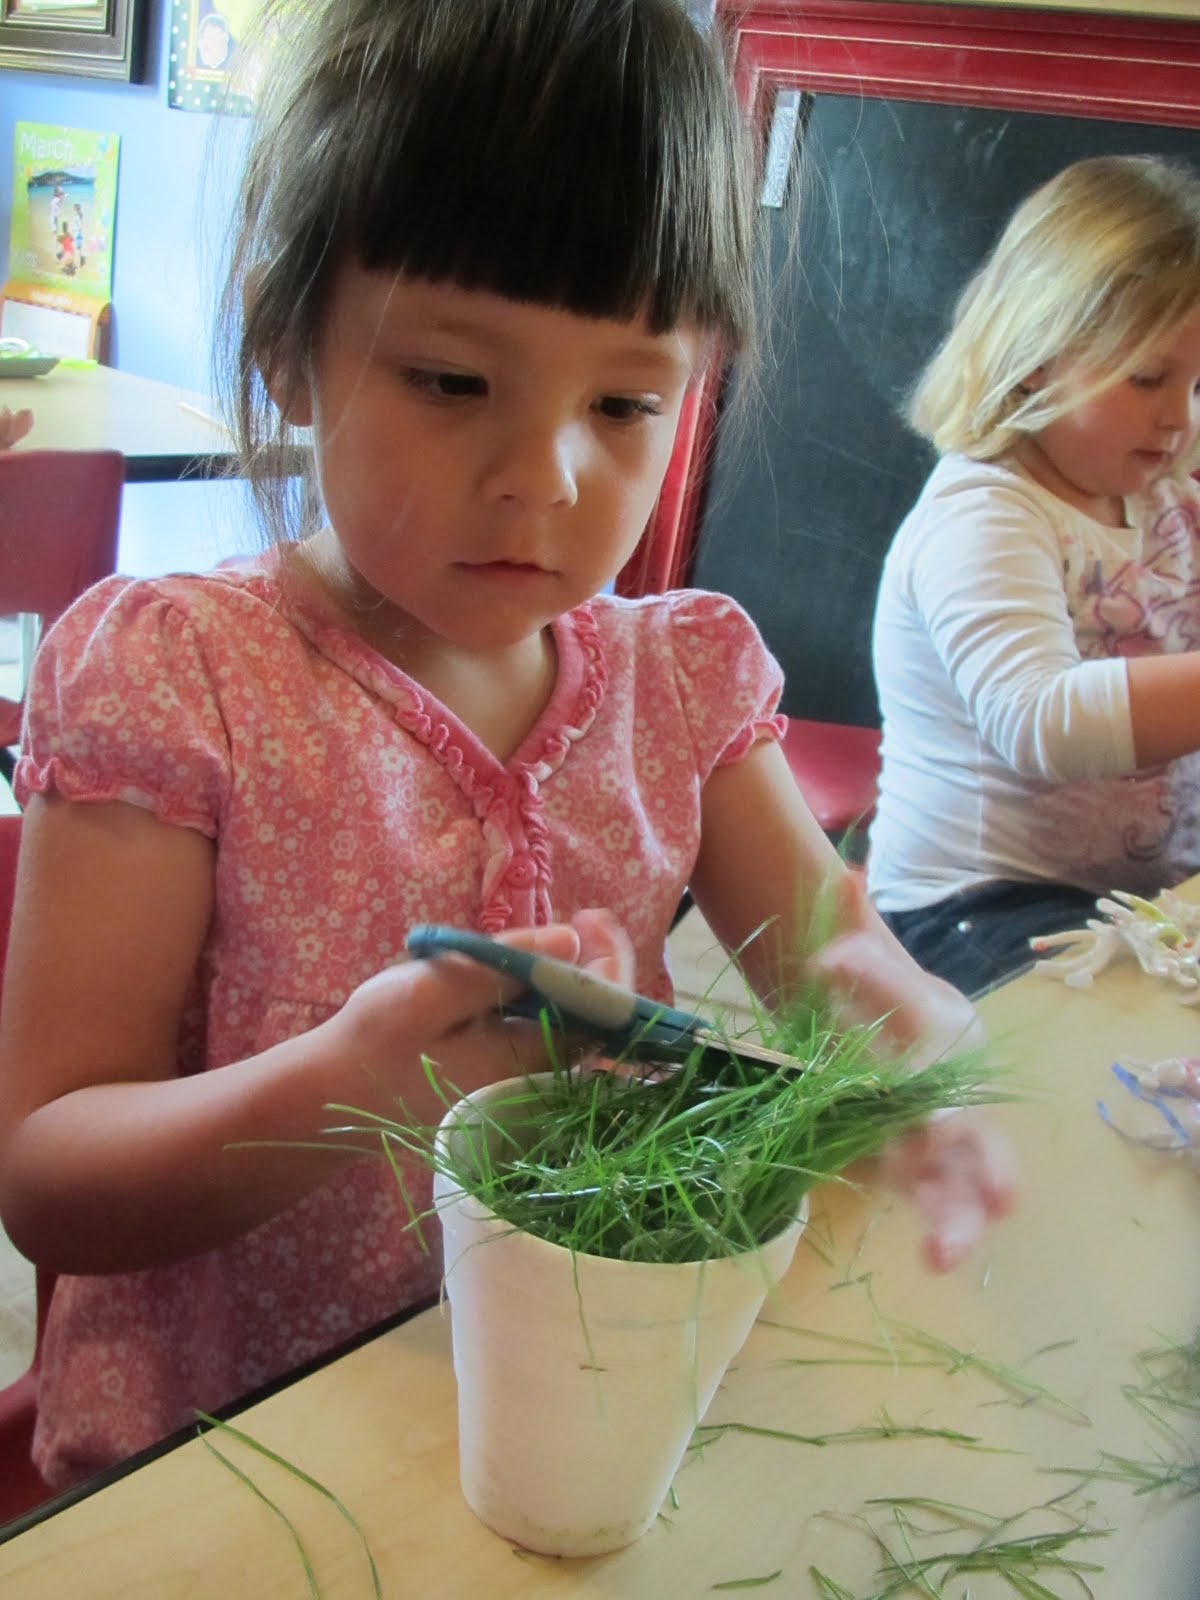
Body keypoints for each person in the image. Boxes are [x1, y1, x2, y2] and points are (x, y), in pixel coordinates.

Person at [0, 0, 1014, 1493]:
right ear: (290, 347)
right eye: (452, 382)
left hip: (575, 1410)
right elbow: (52, 1180)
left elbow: (833, 953)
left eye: (624, 401)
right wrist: (354, 1074)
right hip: (238, 1465)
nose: (541, 479)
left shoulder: (680, 680)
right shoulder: (181, 680)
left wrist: (920, 1050)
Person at [868, 154, 1200, 997]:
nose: (1179, 415)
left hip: (1137, 895)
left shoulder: (1169, 489)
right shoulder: (983, 513)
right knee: (1097, 1046)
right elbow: (1038, 718)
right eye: (1150, 376)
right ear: (1037, 353)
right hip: (970, 904)